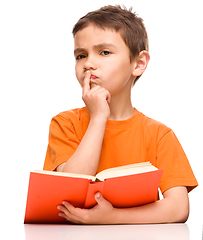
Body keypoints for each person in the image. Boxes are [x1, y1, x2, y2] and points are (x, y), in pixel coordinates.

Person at [43, 5, 198, 224]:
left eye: (104, 52)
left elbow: (178, 208)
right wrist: (98, 118)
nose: (88, 63)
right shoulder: (65, 123)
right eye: (80, 55)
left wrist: (112, 217)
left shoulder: (159, 134)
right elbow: (71, 188)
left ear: (139, 63)